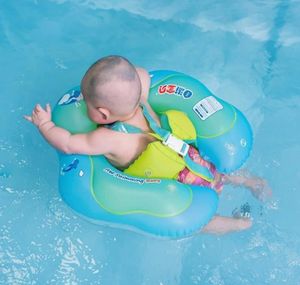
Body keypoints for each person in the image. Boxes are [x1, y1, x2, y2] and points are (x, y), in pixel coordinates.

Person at [25, 55, 271, 235]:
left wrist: (44, 124)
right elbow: (139, 73)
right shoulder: (143, 101)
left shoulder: (108, 138)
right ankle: (252, 182)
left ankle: (238, 224)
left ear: (102, 114)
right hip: (195, 162)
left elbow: (67, 144)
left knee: (200, 222)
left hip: (177, 182)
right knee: (220, 177)